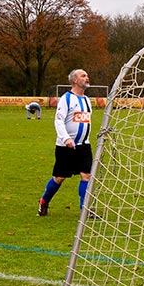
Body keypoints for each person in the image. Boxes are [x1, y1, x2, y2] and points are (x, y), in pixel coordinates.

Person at [38, 69, 95, 217]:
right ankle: (44, 201)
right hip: (66, 147)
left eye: (87, 75)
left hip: (84, 146)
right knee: (59, 178)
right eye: (83, 76)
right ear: (75, 80)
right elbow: (58, 120)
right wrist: (66, 139)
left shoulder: (87, 100)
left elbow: (84, 122)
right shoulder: (66, 99)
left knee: (86, 175)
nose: (87, 78)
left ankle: (85, 210)